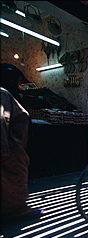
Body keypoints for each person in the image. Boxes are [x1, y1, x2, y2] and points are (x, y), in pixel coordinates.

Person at [1, 63, 44, 219]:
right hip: (11, 151)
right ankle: (18, 210)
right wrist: (4, 151)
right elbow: (2, 121)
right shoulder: (3, 94)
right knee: (13, 180)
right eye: (18, 83)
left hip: (13, 149)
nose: (19, 87)